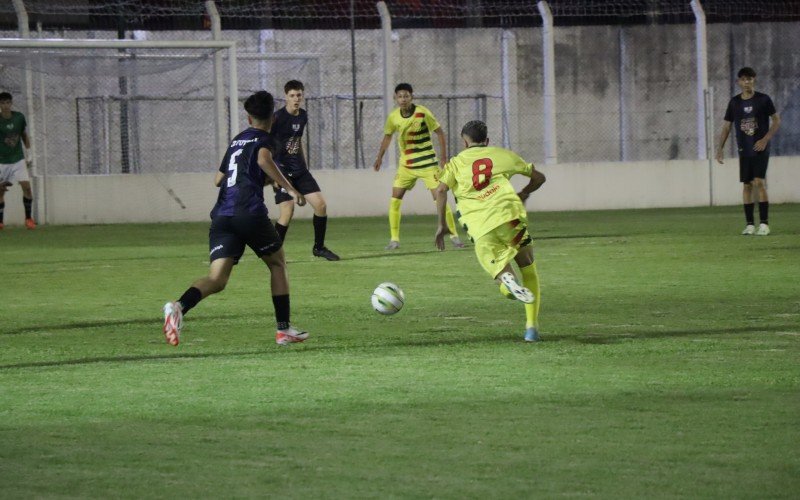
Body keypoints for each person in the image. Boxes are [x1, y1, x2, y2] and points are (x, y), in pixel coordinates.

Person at [163, 91, 309, 347]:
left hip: (222, 215)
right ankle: (284, 330)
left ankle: (178, 307)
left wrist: (256, 178)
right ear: (272, 117)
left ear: (248, 117)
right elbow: (264, 160)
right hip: (248, 212)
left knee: (217, 279)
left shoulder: (237, 140)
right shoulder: (266, 138)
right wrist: (290, 188)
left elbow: (218, 180)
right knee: (277, 264)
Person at [434, 120, 546, 342]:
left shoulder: (455, 164)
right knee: (528, 268)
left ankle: (509, 288)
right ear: (487, 141)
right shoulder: (502, 154)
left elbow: (440, 190)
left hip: (481, 227)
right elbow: (539, 178)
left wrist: (442, 224)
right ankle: (531, 328)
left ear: (464, 142)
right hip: (509, 218)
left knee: (503, 275)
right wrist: (524, 193)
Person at [373, 83, 464, 250]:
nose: (403, 99)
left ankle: (454, 236)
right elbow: (387, 137)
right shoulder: (393, 117)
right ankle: (394, 240)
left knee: (439, 198)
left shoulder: (422, 113)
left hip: (428, 164)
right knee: (395, 199)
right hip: (406, 166)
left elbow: (440, 132)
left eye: (406, 96)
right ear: (396, 98)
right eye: (400, 96)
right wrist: (379, 157)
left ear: (411, 97)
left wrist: (443, 158)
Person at [270, 80, 339, 261]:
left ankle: (319, 248)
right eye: (292, 95)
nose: (296, 98)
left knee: (321, 205)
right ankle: (273, 254)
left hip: (300, 170)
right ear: (285, 97)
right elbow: (267, 146)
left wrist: (304, 165)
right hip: (281, 171)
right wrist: (273, 176)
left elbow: (297, 141)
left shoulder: (303, 116)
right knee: (287, 210)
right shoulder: (277, 118)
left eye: (299, 95)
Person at [715, 67, 781, 236]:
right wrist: (720, 148)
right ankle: (750, 224)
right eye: (744, 79)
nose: (747, 82)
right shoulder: (735, 102)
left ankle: (764, 224)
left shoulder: (763, 99)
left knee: (759, 182)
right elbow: (727, 126)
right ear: (739, 82)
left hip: (760, 148)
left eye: (750, 79)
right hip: (744, 149)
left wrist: (765, 139)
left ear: (754, 80)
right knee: (747, 184)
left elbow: (776, 120)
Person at [0, 92, 36, 230]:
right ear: (0, 105)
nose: (6, 105)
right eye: (3, 103)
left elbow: (24, 136)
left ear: (11, 103)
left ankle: (28, 219)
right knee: (1, 191)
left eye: (8, 102)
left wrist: (30, 154)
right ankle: (0, 221)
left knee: (26, 187)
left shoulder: (19, 117)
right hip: (2, 161)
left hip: (18, 160)